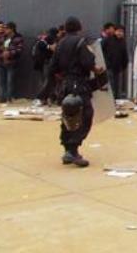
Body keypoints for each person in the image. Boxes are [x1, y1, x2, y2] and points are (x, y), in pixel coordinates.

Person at [50, 16, 102, 167]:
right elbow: (88, 62)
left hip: (65, 85)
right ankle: (73, 151)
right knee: (85, 116)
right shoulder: (80, 42)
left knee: (68, 116)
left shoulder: (60, 44)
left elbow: (53, 67)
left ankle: (67, 150)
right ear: (79, 28)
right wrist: (96, 69)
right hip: (79, 84)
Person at [0, 21, 24, 103]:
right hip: (1, 62)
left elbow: (19, 50)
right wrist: (1, 55)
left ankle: (9, 98)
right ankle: (2, 98)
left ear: (11, 29)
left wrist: (10, 53)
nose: (4, 30)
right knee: (1, 82)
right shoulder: (2, 37)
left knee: (10, 81)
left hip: (11, 63)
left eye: (6, 28)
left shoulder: (18, 38)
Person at [33, 27, 59, 106]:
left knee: (47, 82)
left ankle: (45, 99)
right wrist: (49, 47)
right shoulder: (48, 40)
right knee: (47, 82)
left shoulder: (46, 40)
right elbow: (44, 45)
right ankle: (42, 98)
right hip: (46, 63)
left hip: (44, 63)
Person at [103, 25, 129, 100]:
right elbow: (100, 49)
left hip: (117, 68)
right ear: (115, 31)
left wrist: (124, 65)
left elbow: (125, 55)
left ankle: (115, 100)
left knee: (116, 85)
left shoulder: (123, 42)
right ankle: (110, 100)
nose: (120, 33)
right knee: (111, 85)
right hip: (108, 67)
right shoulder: (108, 40)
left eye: (122, 32)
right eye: (118, 31)